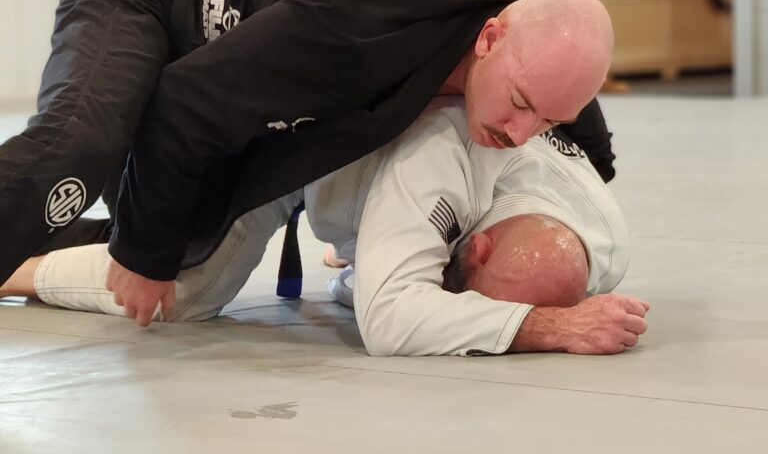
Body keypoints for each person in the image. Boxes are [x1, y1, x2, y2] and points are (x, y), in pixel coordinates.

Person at [0, 0, 616, 327]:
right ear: (488, 38)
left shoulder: (531, 58)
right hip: (145, 5)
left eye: (548, 121)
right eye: (519, 105)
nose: (522, 131)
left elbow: (579, 132)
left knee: (186, 241)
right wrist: (142, 256)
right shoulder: (361, 32)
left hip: (228, 98)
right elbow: (183, 103)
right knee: (77, 159)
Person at [0, 98, 648, 355]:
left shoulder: (598, 243)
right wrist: (549, 327)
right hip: (292, 141)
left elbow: (392, 290)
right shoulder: (444, 166)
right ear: (474, 244)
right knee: (189, 289)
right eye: (466, 284)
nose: (458, 294)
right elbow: (391, 319)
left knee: (381, 269)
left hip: (369, 166)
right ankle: (14, 268)